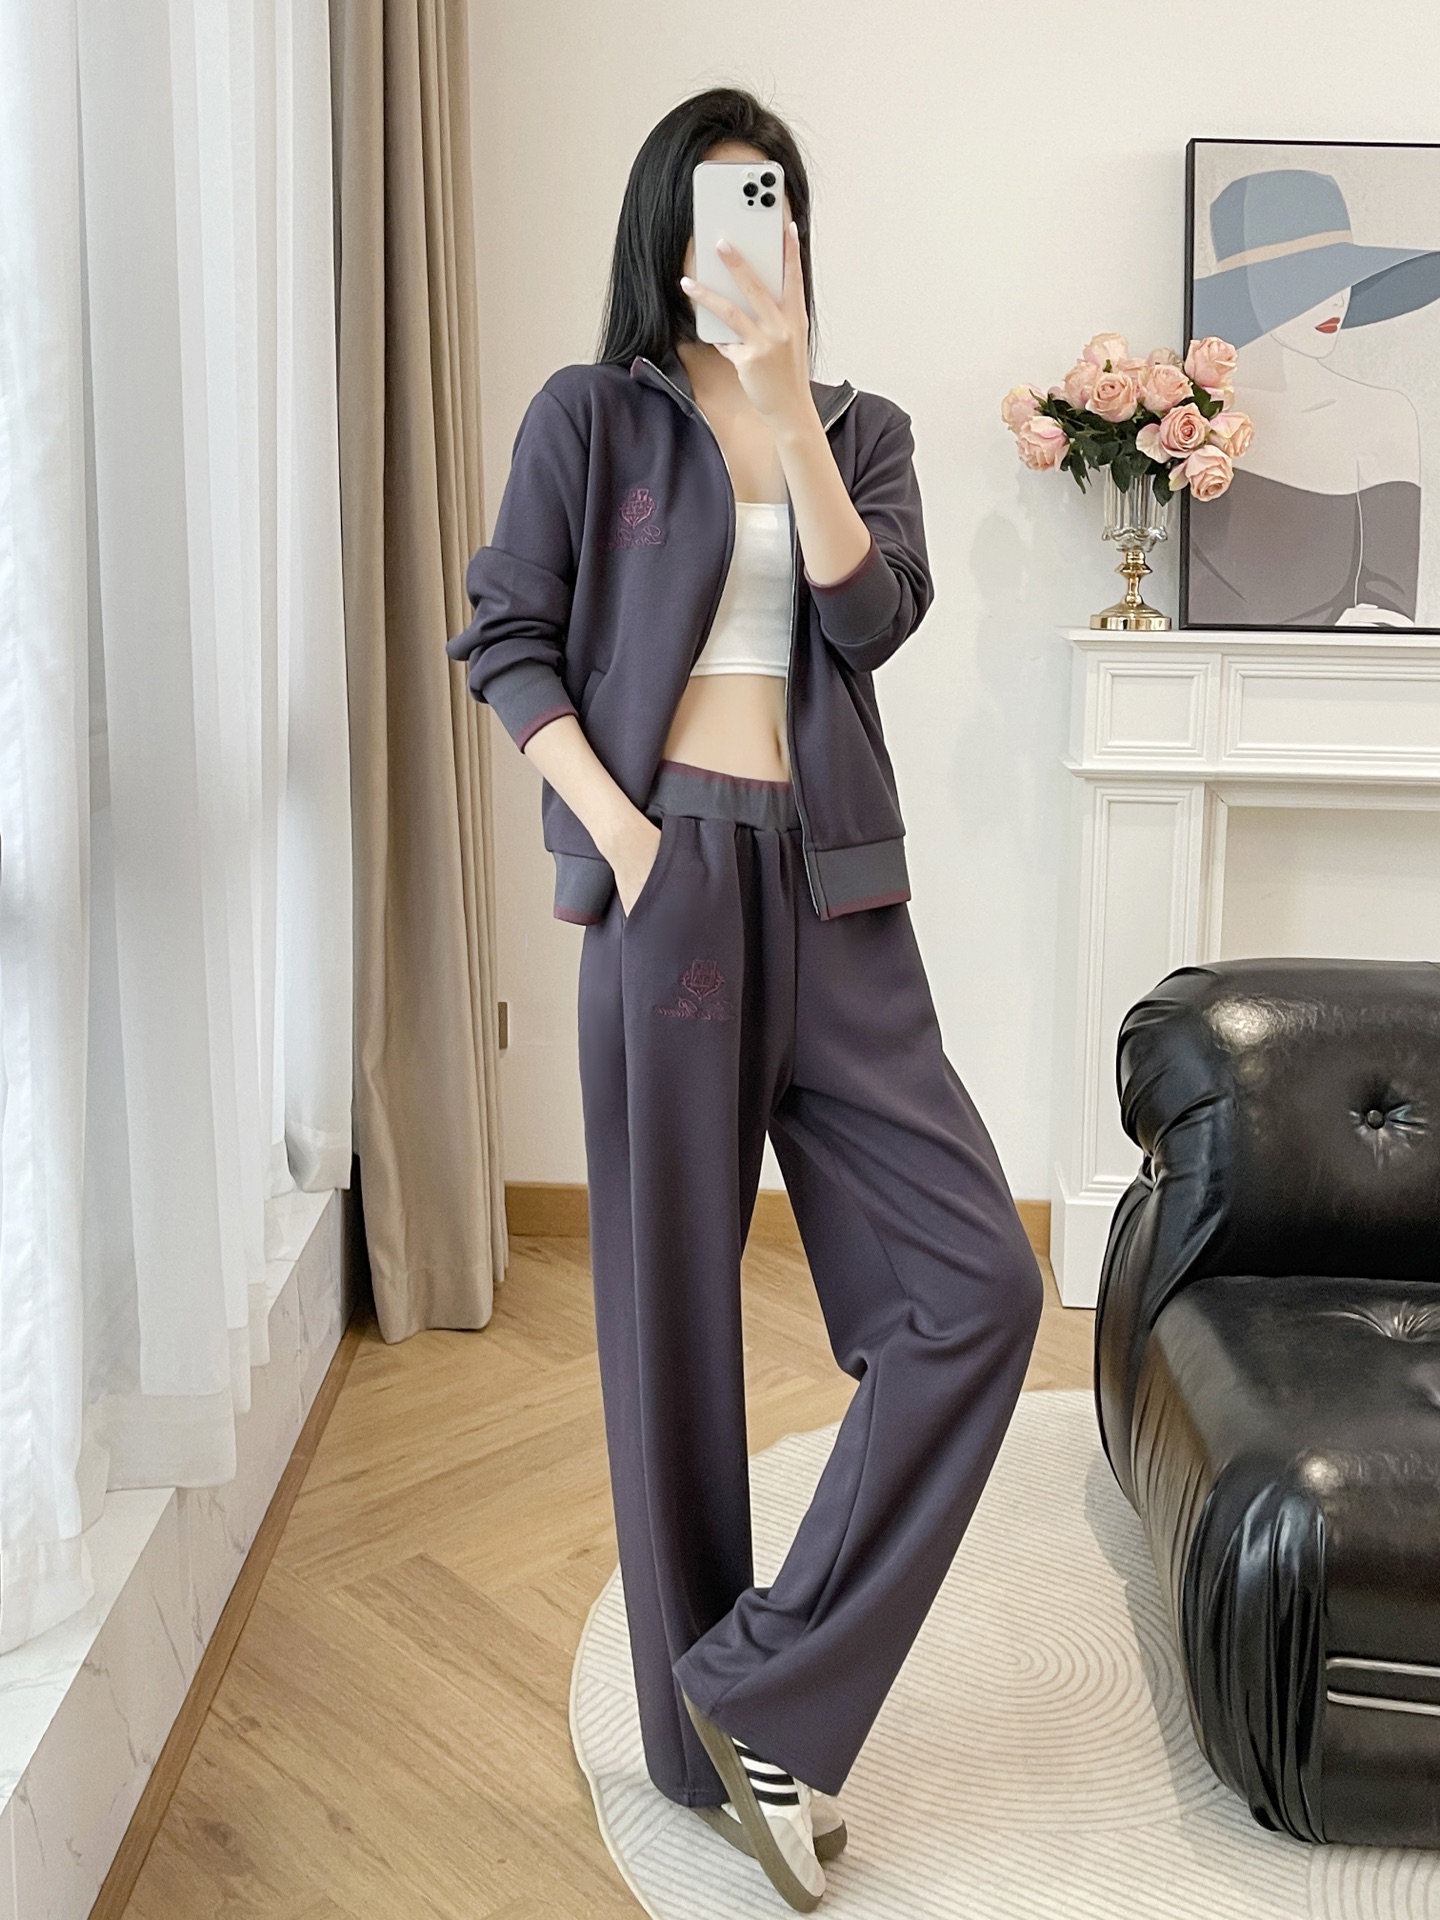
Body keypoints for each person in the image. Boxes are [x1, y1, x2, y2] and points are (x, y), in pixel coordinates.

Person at [448, 88, 1043, 1912]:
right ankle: (706, 1747)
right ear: (667, 228)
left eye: (772, 202)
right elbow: (504, 635)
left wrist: (784, 402)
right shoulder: (591, 414)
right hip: (670, 887)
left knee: (978, 1288)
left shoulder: (859, 429)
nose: (749, 230)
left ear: (797, 231)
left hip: (838, 889)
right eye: (719, 203)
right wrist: (626, 840)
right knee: (671, 1334)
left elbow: (875, 622)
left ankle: (754, 1688)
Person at [1187, 165, 1440, 627]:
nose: (1336, 299)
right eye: (1307, 278)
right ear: (1246, 290)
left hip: (1334, 669)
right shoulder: (1185, 418)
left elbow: (1391, 608)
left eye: (1341, 276)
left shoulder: (1382, 416)